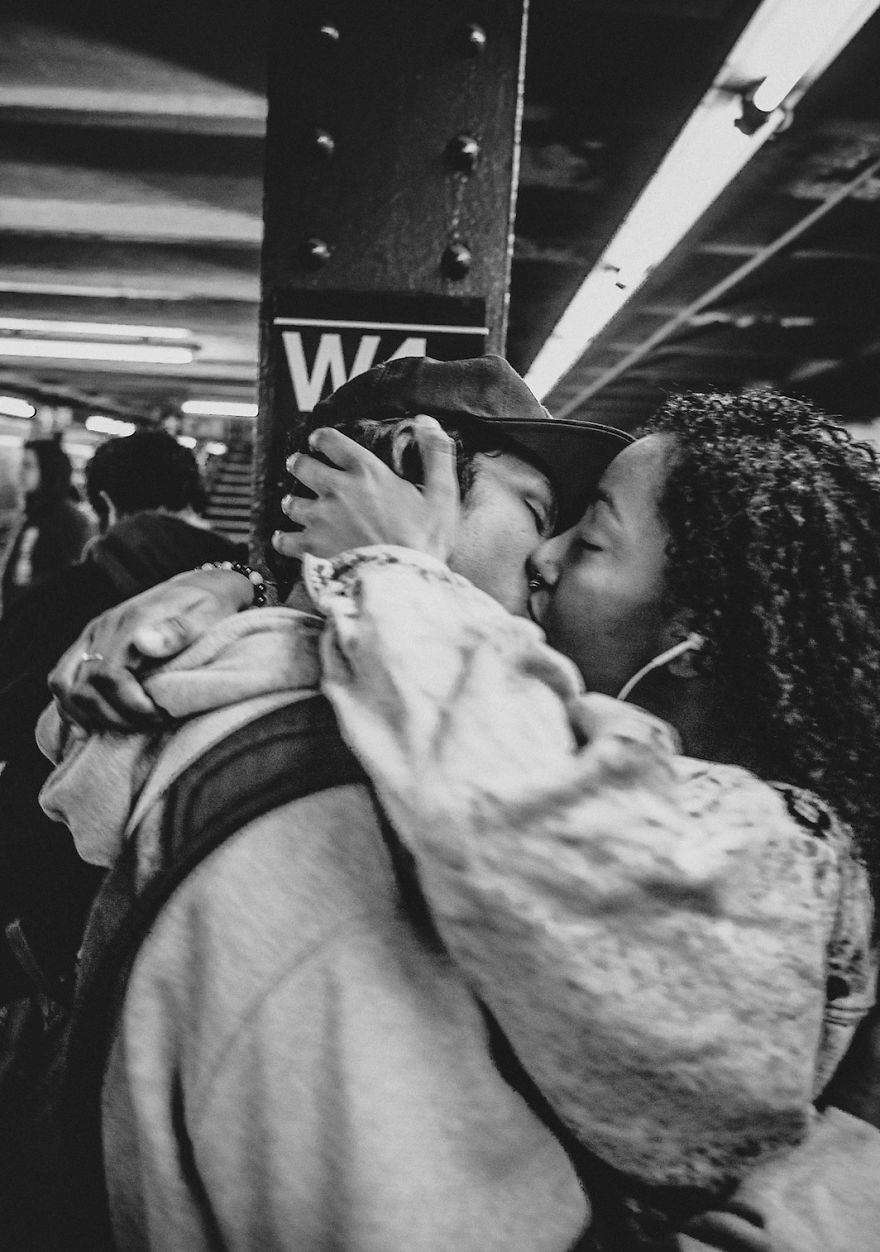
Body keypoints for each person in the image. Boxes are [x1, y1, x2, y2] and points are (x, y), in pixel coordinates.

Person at [45, 362, 880, 1250]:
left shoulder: (706, 830)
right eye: (539, 515)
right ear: (397, 496)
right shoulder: (347, 829)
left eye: (583, 536)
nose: (546, 562)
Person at [36, 360, 629, 1252]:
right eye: (540, 516)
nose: (552, 562)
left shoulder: (331, 724)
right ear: (399, 476)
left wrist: (243, 580)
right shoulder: (337, 798)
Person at [0, 429, 241, 1005]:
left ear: (103, 504)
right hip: (196, 877)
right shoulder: (257, 594)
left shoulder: (63, 600)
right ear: (195, 493)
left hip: (54, 882)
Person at [0, 438, 94, 615]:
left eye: (28, 466)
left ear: (48, 470)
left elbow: (70, 579)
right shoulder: (33, 514)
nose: (20, 472)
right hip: (18, 614)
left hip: (39, 619)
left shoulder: (70, 519)